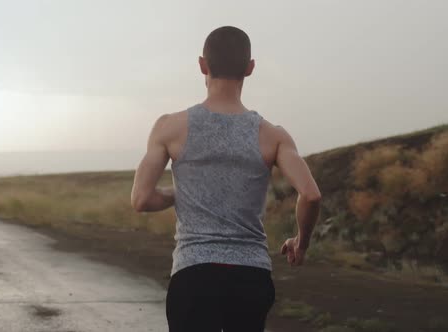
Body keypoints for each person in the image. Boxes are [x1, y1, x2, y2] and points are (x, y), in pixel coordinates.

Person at [131, 26, 321, 332]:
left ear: (202, 65)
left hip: (193, 274)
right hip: (251, 277)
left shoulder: (170, 127)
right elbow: (311, 195)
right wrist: (302, 241)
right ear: (250, 68)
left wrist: (184, 192)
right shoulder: (273, 135)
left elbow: (141, 199)